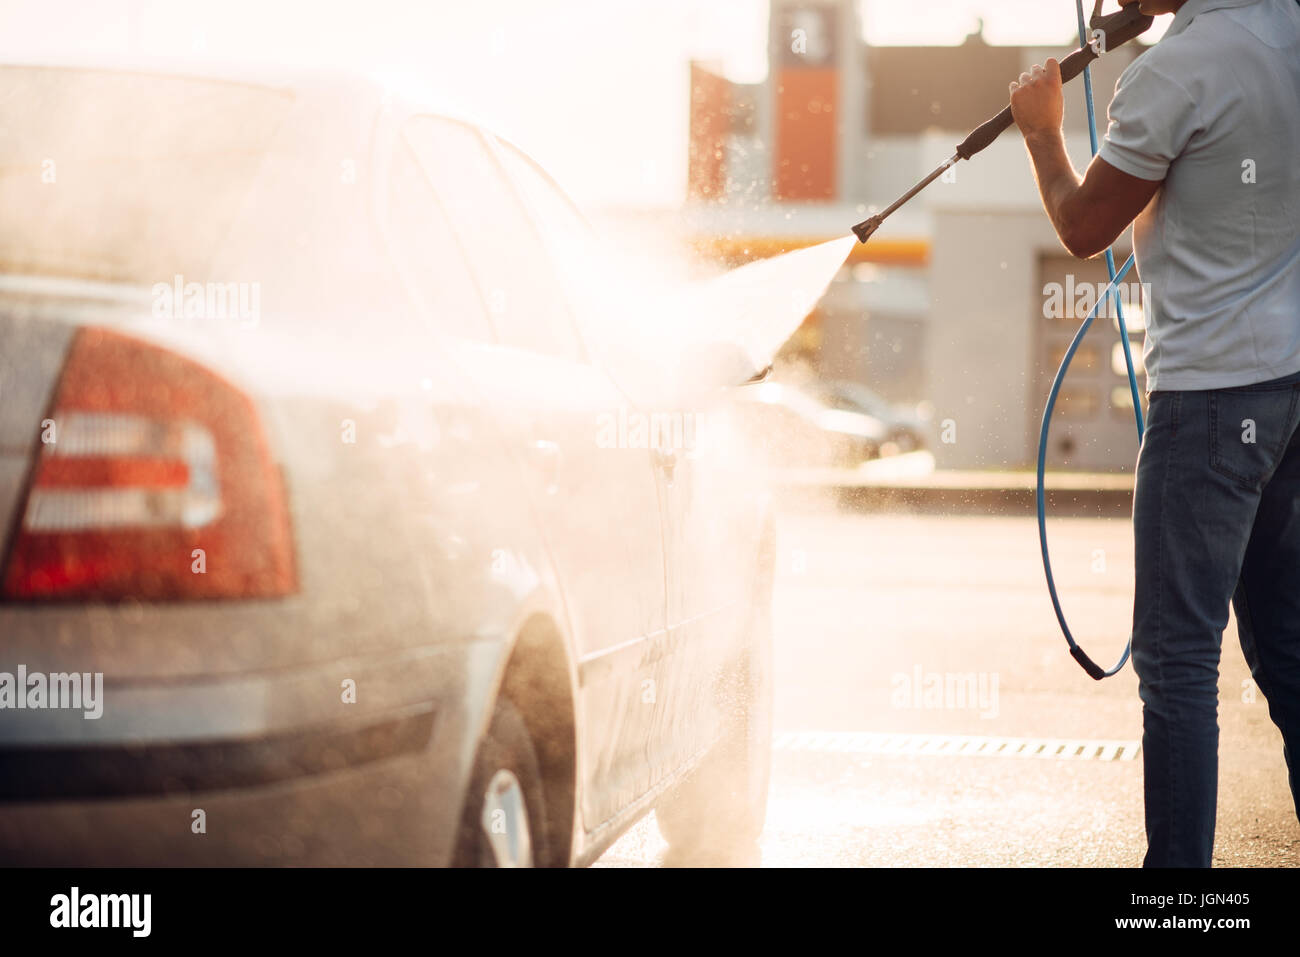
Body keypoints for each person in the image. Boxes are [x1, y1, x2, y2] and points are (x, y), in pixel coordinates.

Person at [1009, 0, 1300, 867]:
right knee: (1288, 648)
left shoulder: (1172, 72)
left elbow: (1082, 225)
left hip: (1209, 402)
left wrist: (1039, 133)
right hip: (1289, 392)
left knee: (1176, 662)